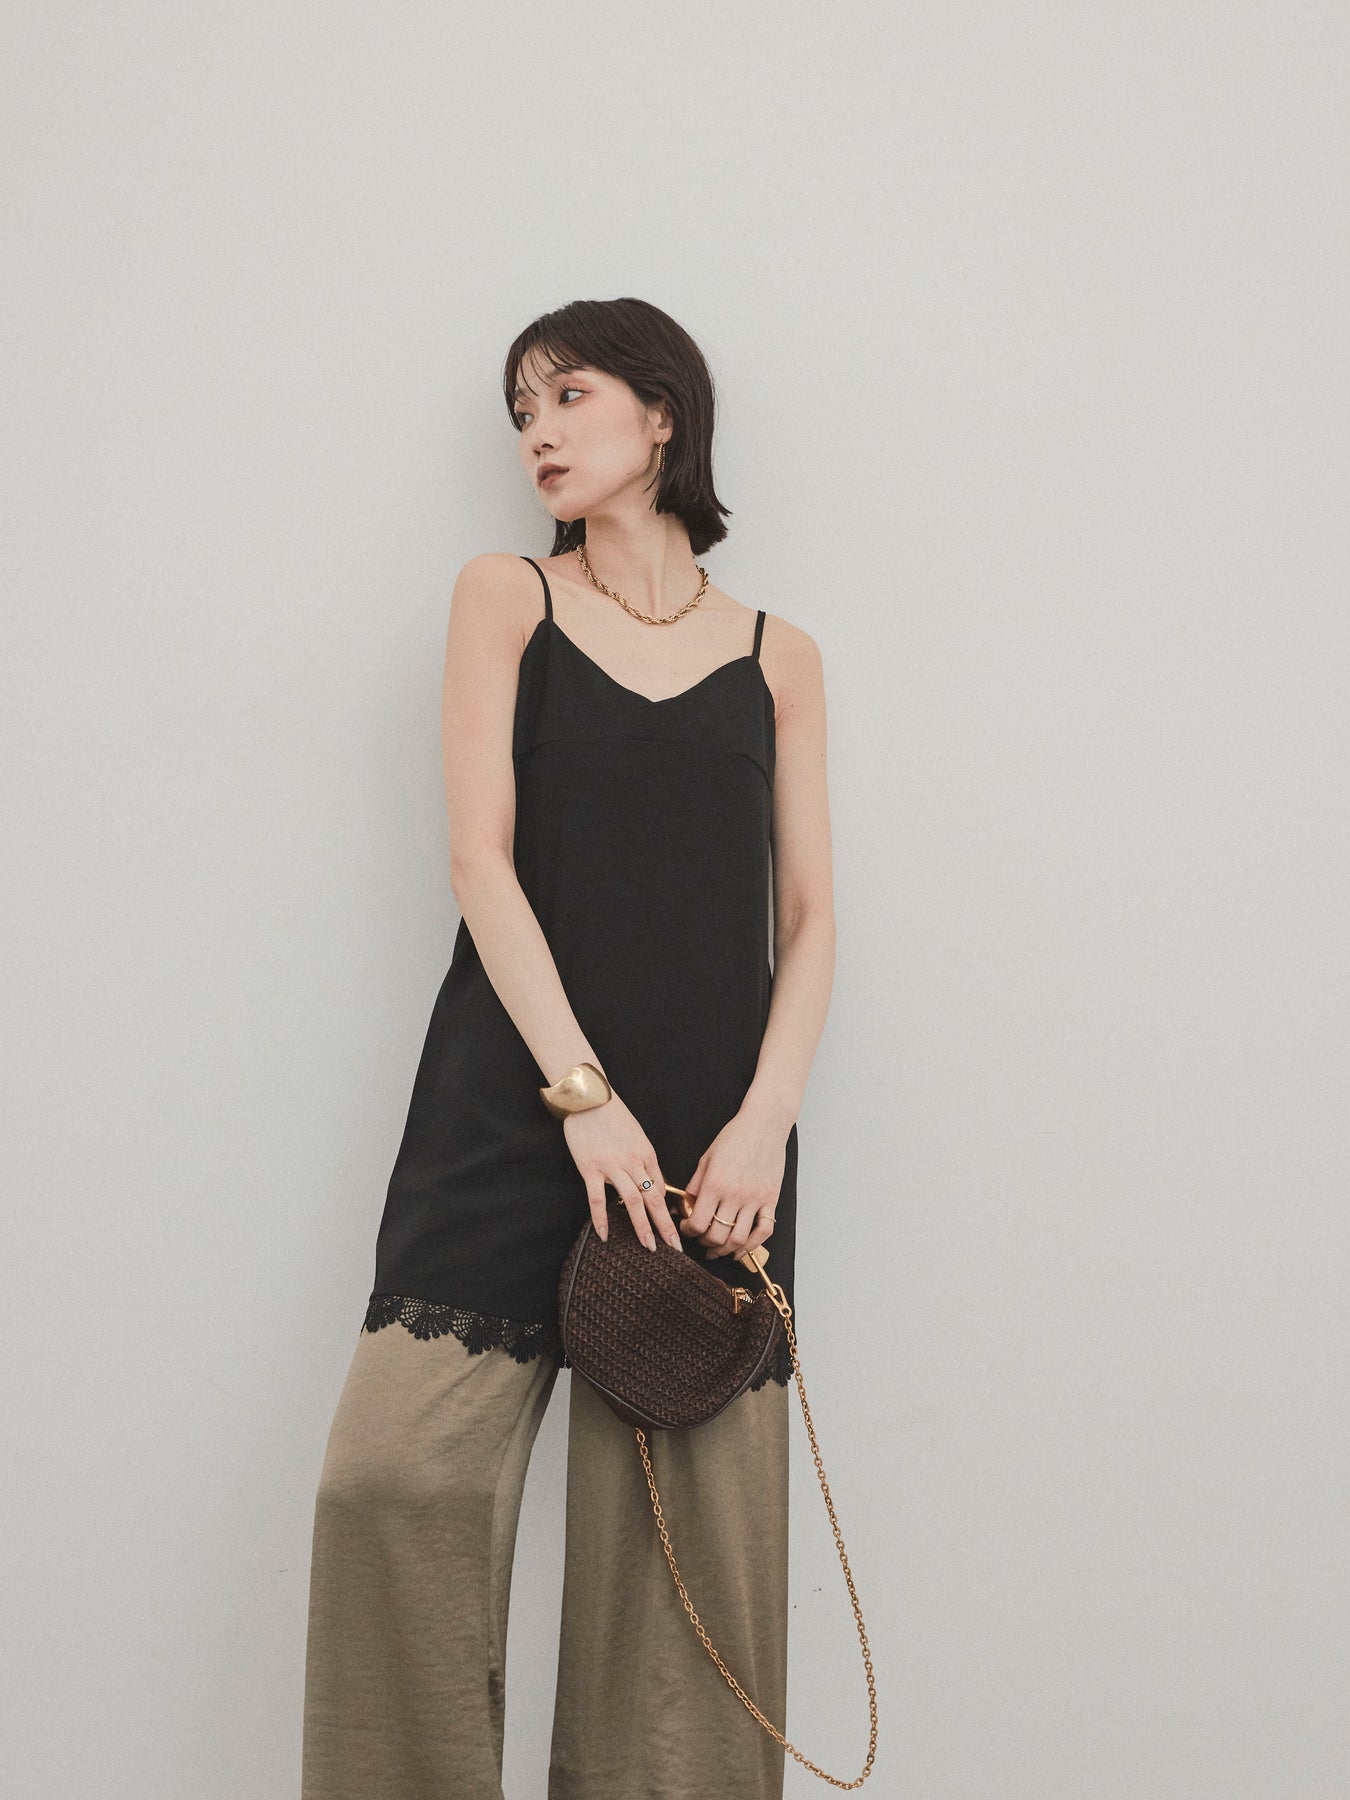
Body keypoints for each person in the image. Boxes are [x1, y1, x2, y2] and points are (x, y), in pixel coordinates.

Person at [301, 296, 835, 1800]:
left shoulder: (778, 656)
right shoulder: (506, 599)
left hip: (716, 1147)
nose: (535, 431)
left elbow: (812, 919)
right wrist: (581, 1099)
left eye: (568, 395)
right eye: (520, 409)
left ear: (663, 413)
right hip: (512, 1104)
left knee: (686, 1580)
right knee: (391, 1483)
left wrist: (765, 1122)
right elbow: (480, 860)